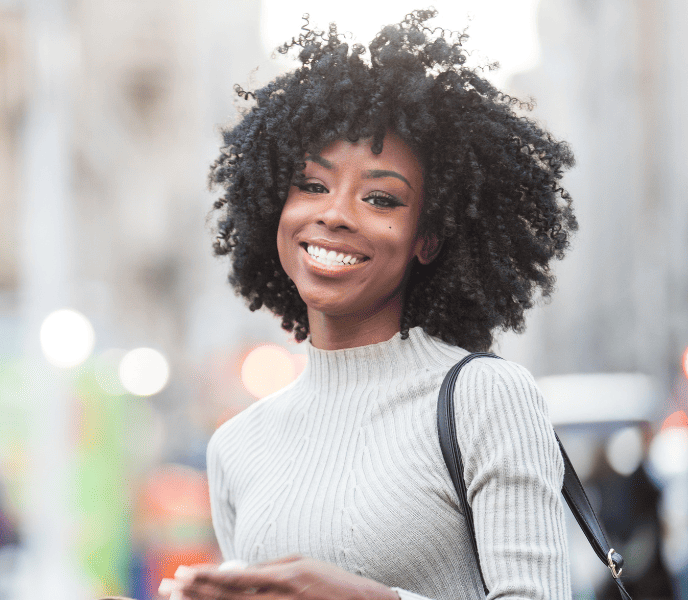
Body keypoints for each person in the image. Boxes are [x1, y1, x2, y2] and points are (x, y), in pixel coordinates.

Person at [166, 10, 579, 600]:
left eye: (381, 198)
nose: (334, 213)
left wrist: (364, 597)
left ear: (428, 239)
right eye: (312, 185)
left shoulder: (485, 398)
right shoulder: (236, 446)